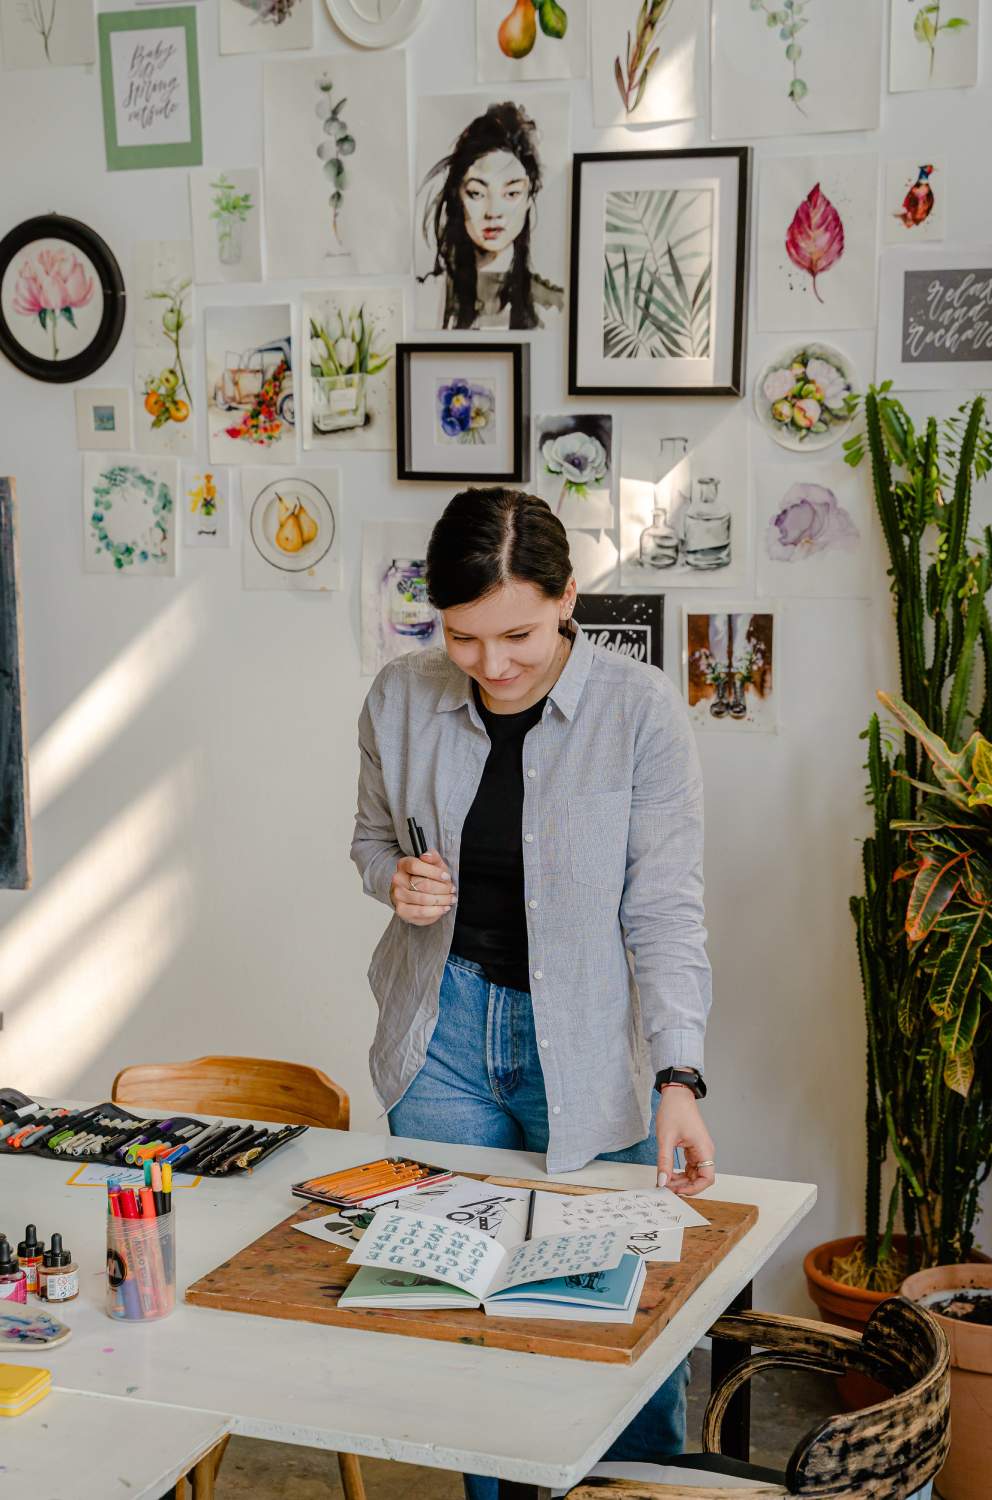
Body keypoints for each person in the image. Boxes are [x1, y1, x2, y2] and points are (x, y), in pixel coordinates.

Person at [351, 487, 714, 1500]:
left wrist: (679, 1075)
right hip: (443, 1037)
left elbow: (666, 913)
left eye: (516, 633)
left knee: (613, 1314)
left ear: (565, 600)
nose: (493, 665)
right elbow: (371, 839)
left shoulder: (638, 713)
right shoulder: (398, 697)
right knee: (462, 1317)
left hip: (588, 1043)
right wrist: (394, 880)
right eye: (463, 638)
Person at [417, 100, 564, 330]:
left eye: (512, 193)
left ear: (529, 197)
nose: (494, 212)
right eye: (477, 193)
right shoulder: (427, 298)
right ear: (458, 196)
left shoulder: (553, 306)